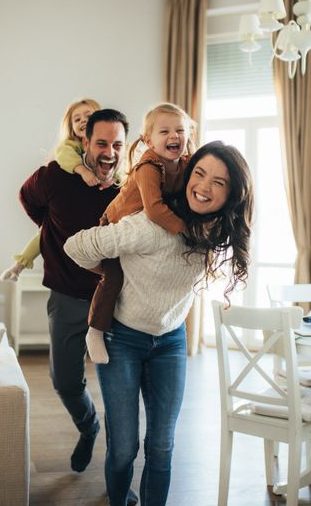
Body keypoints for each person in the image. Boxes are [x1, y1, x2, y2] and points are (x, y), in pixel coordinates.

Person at [64, 141, 254, 506]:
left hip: (171, 341)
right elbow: (76, 247)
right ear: (186, 176)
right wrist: (114, 273)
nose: (204, 186)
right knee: (123, 449)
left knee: (162, 446)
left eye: (219, 182)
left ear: (232, 194)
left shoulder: (214, 233)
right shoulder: (149, 226)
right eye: (199, 173)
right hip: (122, 339)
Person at [18, 108, 127, 474]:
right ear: (84, 142)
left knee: (119, 395)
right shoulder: (54, 177)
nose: (109, 152)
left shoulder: (127, 190)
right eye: (101, 143)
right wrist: (50, 229)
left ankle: (118, 481)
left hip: (115, 304)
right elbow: (26, 197)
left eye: (117, 144)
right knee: (64, 382)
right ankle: (87, 425)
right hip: (66, 296)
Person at [85, 103, 196, 365]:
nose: (174, 136)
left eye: (180, 130)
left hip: (140, 231)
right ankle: (95, 330)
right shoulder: (148, 165)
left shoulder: (184, 163)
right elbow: (155, 210)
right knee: (113, 277)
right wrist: (184, 229)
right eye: (164, 131)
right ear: (148, 140)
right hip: (115, 223)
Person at [2, 98, 107, 282]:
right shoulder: (69, 147)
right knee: (45, 231)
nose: (82, 121)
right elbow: (65, 157)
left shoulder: (109, 149)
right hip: (68, 209)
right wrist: (82, 171)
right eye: (77, 119)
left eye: (88, 116)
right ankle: (19, 266)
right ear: (71, 127)